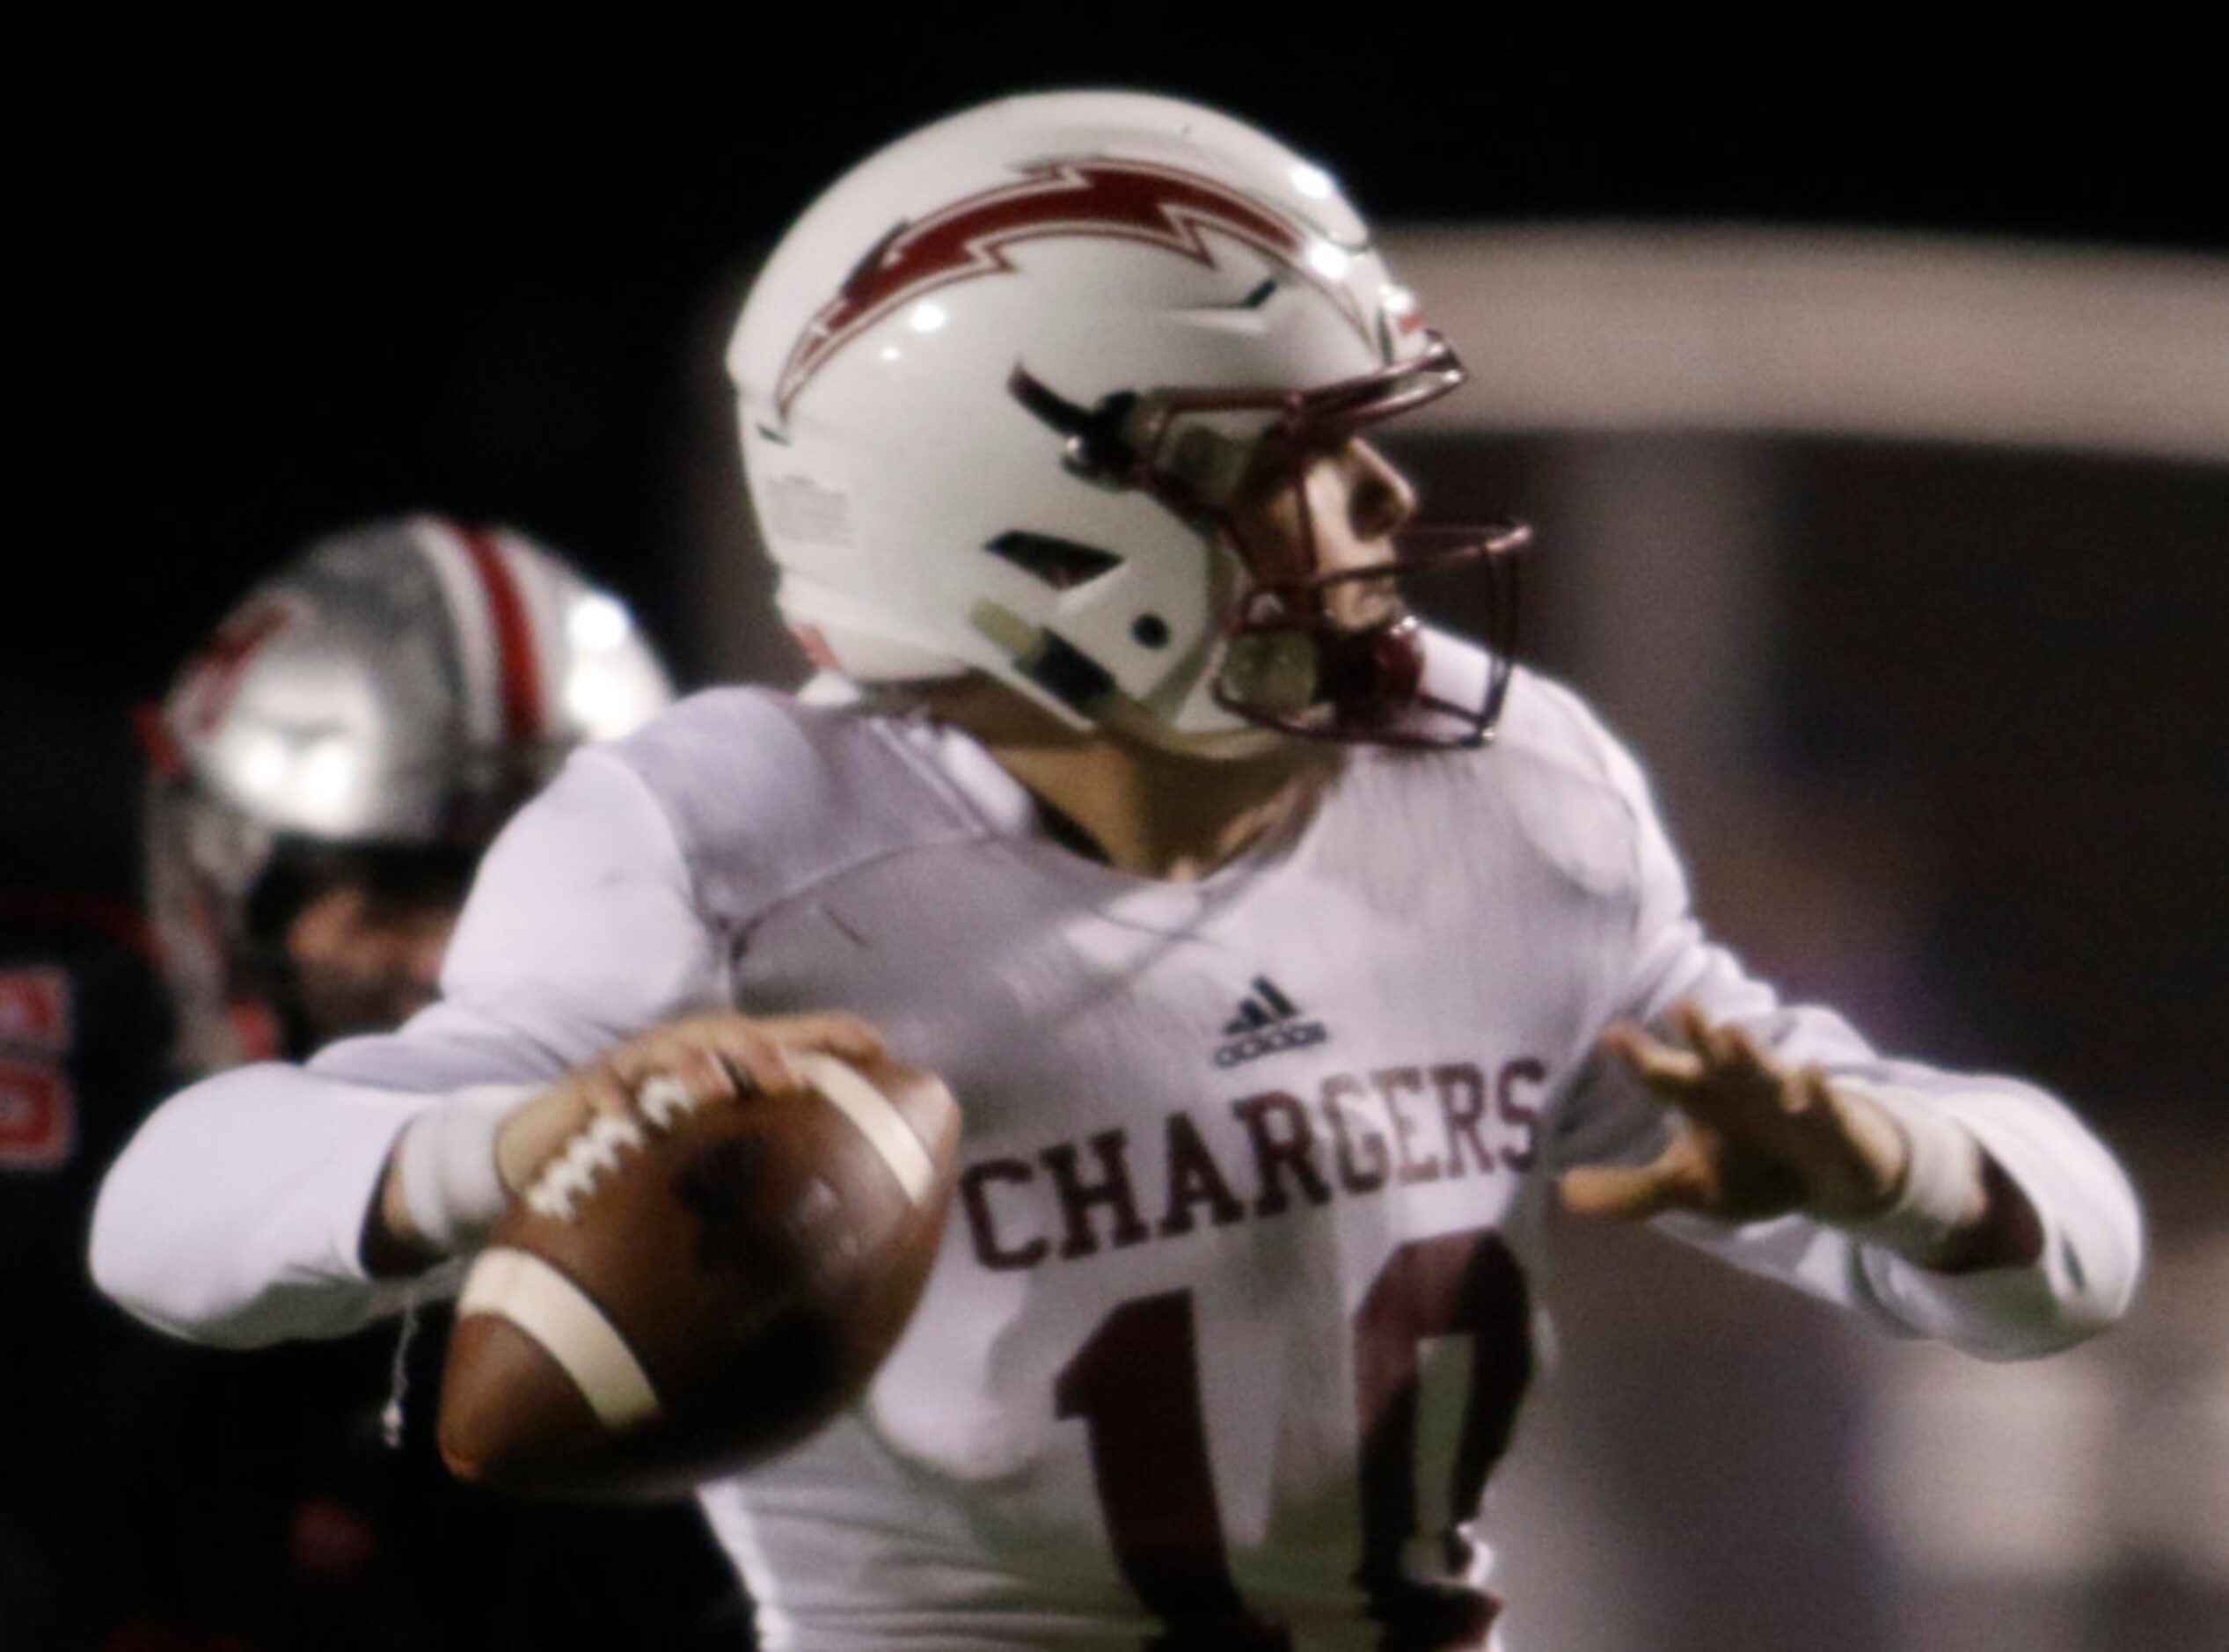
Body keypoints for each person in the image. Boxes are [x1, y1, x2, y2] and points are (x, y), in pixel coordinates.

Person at [92, 95, 2144, 1649]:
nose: (1386, 499)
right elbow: (168, 1222)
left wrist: (1905, 1176)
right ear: (1040, 535)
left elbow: (2062, 1271)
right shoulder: (732, 844)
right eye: (1292, 458)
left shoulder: (1502, 785)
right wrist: (493, 1151)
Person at [11, 516, 735, 1650]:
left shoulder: (738, 1160)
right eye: (400, 891)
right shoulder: (57, 1092)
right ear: (228, 894)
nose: (464, 961)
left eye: (539, 889)